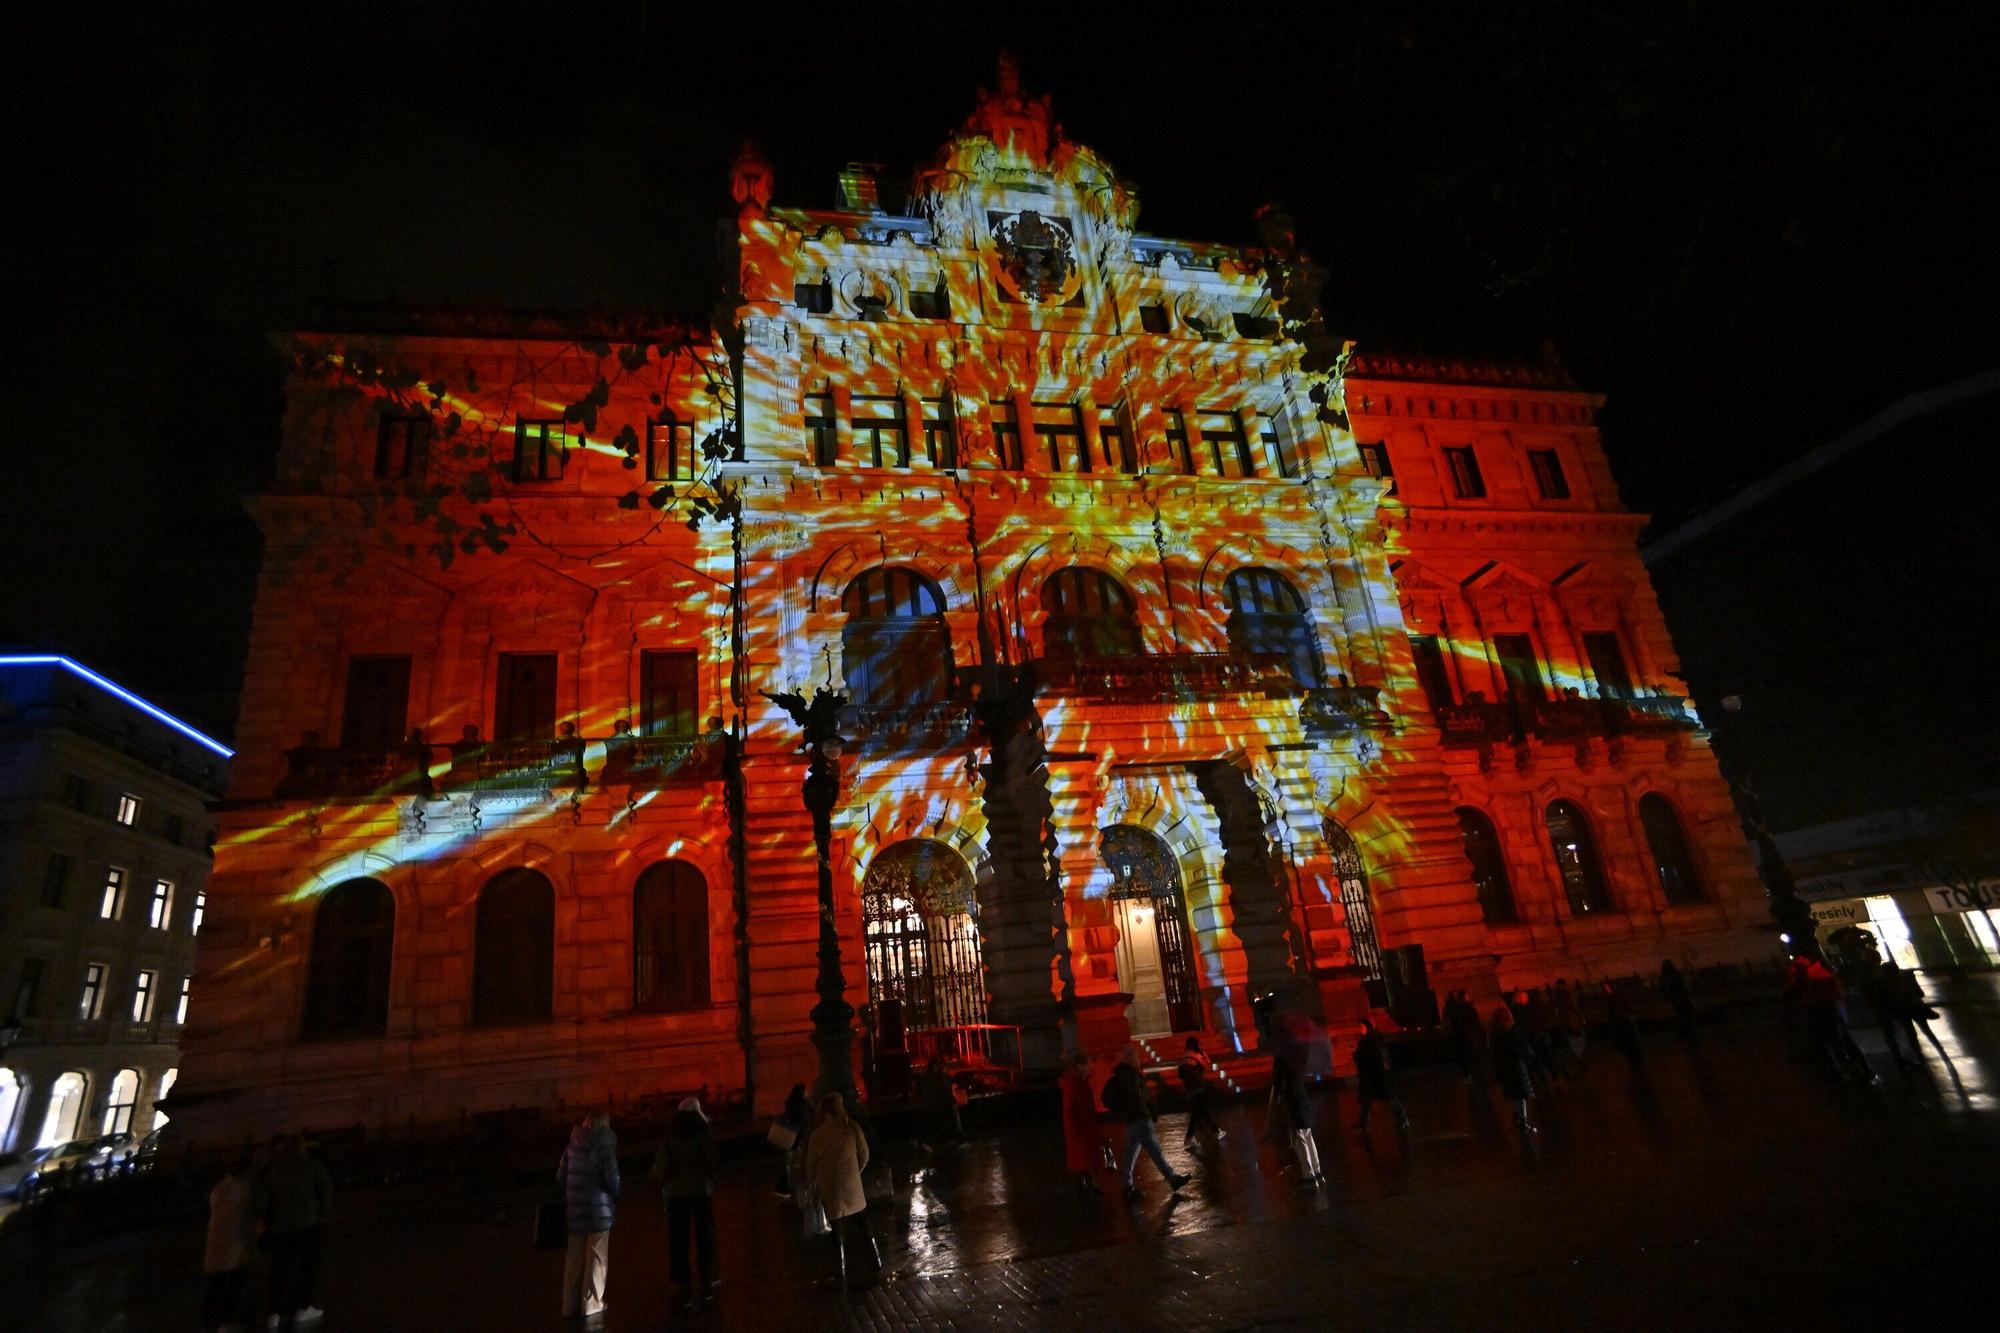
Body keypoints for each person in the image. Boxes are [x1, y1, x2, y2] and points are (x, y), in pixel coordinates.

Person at [257, 1133, 333, 1329]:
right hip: (308, 1224)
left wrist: (267, 1222)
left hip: (282, 1227)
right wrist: (322, 1214)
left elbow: (266, 1199)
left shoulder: (276, 1169)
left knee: (280, 1270)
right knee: (309, 1268)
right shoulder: (313, 1165)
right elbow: (325, 1190)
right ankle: (303, 1307)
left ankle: (276, 1311)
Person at [804, 1093, 880, 1288]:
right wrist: (856, 1171)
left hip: (830, 1186)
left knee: (836, 1230)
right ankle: (876, 1260)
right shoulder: (851, 1128)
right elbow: (864, 1154)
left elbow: (811, 1164)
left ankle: (841, 1270)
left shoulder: (818, 1133)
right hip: (851, 1184)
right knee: (863, 1223)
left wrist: (813, 1185)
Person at [652, 1096, 720, 1309]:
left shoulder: (671, 1133)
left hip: (676, 1192)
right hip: (701, 1190)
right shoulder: (704, 1131)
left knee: (678, 1239)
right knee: (705, 1236)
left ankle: (683, 1284)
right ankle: (707, 1281)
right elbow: (712, 1160)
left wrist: (664, 1180)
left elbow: (662, 1163)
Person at [1102, 1046, 1191, 1200]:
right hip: (1140, 1119)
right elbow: (1138, 1097)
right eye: (1136, 1057)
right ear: (1131, 1059)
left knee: (1130, 1154)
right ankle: (1172, 1179)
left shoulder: (1121, 1075)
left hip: (1131, 1120)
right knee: (1155, 1151)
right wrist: (1146, 1113)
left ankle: (1126, 1185)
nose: (1139, 1059)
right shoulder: (1130, 1075)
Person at [557, 1111, 621, 1322]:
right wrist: (615, 1196)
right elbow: (613, 1181)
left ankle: (569, 1304)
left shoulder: (571, 1147)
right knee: (596, 1256)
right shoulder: (604, 1148)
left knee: (573, 1258)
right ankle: (591, 1303)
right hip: (598, 1211)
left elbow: (560, 1177)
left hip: (574, 1209)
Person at [1787, 953, 1871, 1083]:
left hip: (1820, 1012)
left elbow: (1801, 996)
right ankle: (1857, 1070)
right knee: (1840, 1043)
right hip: (1827, 1011)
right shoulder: (1817, 974)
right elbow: (1834, 992)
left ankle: (1847, 1072)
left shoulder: (1805, 977)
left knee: (1832, 1045)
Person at [202, 1155, 254, 1333]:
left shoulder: (219, 1189)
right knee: (233, 1284)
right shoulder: (240, 1189)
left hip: (217, 1241)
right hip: (235, 1242)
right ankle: (226, 1322)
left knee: (216, 1285)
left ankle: (208, 1323)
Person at [1268, 1051, 1324, 1185]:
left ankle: (1308, 1175)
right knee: (1308, 1135)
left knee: (1299, 1139)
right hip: (1301, 1098)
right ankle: (1317, 1171)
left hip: (1292, 1102)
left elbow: (1279, 1082)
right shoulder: (1296, 1056)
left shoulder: (1281, 1059)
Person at [1351, 1019, 1410, 1138]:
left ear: (1367, 1027)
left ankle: (1403, 1119)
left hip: (1377, 1075)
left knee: (1389, 1097)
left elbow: (1369, 1056)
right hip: (1374, 1075)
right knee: (1367, 1100)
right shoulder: (1372, 1039)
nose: (1360, 1029)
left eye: (1362, 1027)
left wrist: (1356, 1052)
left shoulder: (1369, 1040)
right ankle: (1363, 1123)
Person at [1059, 1052, 1107, 1196]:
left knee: (1084, 1160)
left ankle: (1087, 1185)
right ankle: (1087, 1187)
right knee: (1084, 1159)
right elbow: (1070, 1109)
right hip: (1082, 1129)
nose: (1089, 1067)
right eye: (1086, 1064)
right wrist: (1075, 1130)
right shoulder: (1075, 1084)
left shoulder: (1078, 1082)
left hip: (1084, 1127)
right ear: (1079, 1066)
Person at [1488, 1007, 1538, 1134]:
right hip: (1516, 1068)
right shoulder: (1513, 1034)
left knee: (1515, 1095)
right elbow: (1527, 1052)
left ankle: (1519, 1118)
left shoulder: (1494, 1036)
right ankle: (1523, 1123)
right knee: (1521, 1095)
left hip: (1504, 1070)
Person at [1177, 1036, 1225, 1149]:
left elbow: (1180, 1074)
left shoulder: (1183, 1056)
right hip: (1198, 1087)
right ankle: (1189, 1139)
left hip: (1189, 1088)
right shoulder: (1197, 1055)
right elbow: (1207, 1063)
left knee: (1201, 1110)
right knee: (1197, 1112)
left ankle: (1216, 1131)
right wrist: (1203, 1052)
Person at [915, 1056, 964, 1149]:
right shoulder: (939, 1079)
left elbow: (918, 1094)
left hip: (930, 1107)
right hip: (937, 1107)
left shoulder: (925, 1078)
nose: (943, 1068)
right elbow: (946, 1092)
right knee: (951, 1114)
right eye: (941, 1066)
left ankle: (934, 1140)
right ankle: (956, 1138)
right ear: (935, 1066)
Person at [773, 1083, 809, 1197]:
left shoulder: (790, 1103)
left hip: (788, 1137)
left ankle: (784, 1187)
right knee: (796, 1164)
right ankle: (786, 1188)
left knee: (789, 1163)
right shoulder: (803, 1106)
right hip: (797, 1139)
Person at [1444, 990, 1487, 1083]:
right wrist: (1482, 1033)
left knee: (1466, 1057)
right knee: (1476, 1057)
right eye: (1467, 996)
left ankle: (1469, 1075)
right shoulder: (1468, 1009)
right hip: (1471, 1036)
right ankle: (1480, 1076)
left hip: (1461, 1036)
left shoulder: (1452, 1010)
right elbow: (1476, 1023)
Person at [1601, 981, 1645, 1071]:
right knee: (1628, 1042)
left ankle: (1636, 1060)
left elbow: (1626, 1007)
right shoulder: (1611, 998)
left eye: (1607, 987)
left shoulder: (1615, 997)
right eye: (1605, 988)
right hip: (1621, 1022)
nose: (1607, 990)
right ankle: (1635, 1060)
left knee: (1631, 1041)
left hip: (1624, 1022)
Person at [1659, 960, 1697, 1046]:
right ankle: (1690, 1033)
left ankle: (1685, 1033)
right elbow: (1684, 985)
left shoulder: (1664, 978)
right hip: (1683, 998)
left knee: (1681, 1016)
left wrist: (1668, 997)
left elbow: (1662, 989)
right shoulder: (1677, 975)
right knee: (1688, 1015)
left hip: (1675, 1000)